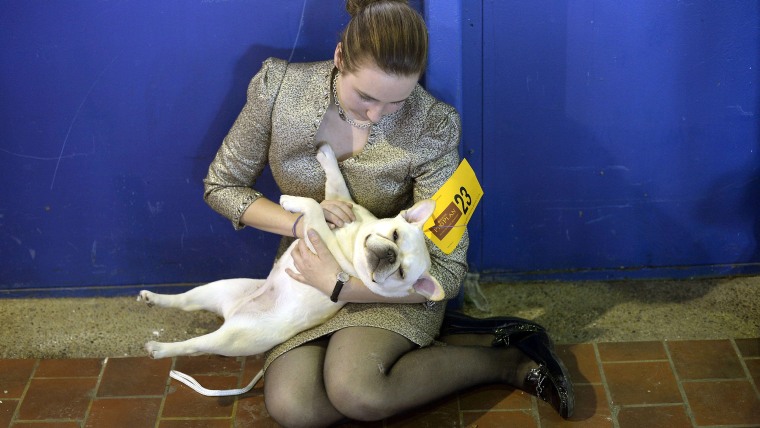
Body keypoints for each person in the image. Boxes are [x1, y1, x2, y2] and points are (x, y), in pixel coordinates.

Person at [203, 0, 574, 425]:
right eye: (365, 95)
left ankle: (507, 360)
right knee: (295, 408)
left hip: (393, 282)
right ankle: (443, 343)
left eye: (396, 102)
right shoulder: (279, 90)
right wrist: (300, 223)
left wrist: (342, 287)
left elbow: (447, 272)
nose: (376, 114)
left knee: (358, 391)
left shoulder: (433, 125)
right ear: (340, 57)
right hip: (306, 279)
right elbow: (222, 186)